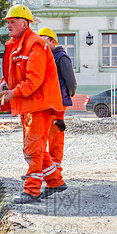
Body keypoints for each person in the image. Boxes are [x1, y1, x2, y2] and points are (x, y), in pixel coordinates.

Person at [0, 4, 66, 204]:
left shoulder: (34, 44)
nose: (9, 25)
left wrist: (14, 92)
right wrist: (6, 83)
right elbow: (15, 73)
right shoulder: (17, 44)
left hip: (39, 104)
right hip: (30, 103)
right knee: (37, 148)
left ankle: (32, 191)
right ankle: (55, 182)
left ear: (25, 22)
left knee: (32, 149)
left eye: (13, 22)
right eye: (8, 22)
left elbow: (34, 80)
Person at [38, 27, 76, 196]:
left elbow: (71, 82)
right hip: (47, 103)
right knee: (44, 137)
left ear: (53, 42)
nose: (42, 43)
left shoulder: (61, 57)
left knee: (55, 138)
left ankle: (56, 172)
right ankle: (46, 171)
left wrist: (67, 96)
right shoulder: (45, 56)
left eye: (45, 40)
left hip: (58, 104)